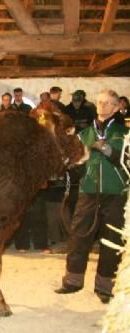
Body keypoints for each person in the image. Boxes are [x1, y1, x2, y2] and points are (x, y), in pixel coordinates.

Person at [55, 89, 128, 304]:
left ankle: (104, 286)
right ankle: (72, 281)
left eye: (108, 103)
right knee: (79, 236)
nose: (102, 106)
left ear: (116, 107)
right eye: (100, 102)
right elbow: (75, 165)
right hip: (88, 191)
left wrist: (112, 154)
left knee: (111, 240)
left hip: (116, 193)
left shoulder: (125, 133)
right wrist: (72, 163)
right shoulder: (84, 133)